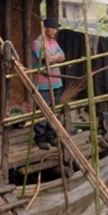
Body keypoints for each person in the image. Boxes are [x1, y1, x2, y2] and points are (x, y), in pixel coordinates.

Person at [32, 18, 65, 149]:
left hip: (57, 81)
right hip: (43, 83)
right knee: (42, 111)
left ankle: (50, 135)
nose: (55, 31)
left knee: (54, 110)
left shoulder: (53, 42)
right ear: (45, 28)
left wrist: (54, 58)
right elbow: (46, 59)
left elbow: (63, 56)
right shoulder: (38, 43)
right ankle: (39, 137)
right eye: (53, 28)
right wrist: (54, 58)